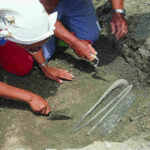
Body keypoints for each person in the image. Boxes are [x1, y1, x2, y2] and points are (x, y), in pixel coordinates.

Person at [0, 0, 128, 115]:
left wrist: (45, 67)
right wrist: (30, 97)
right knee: (21, 65)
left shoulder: (24, 11)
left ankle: (60, 28)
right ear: (10, 35)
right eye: (32, 47)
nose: (35, 49)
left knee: (43, 53)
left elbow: (33, 38)